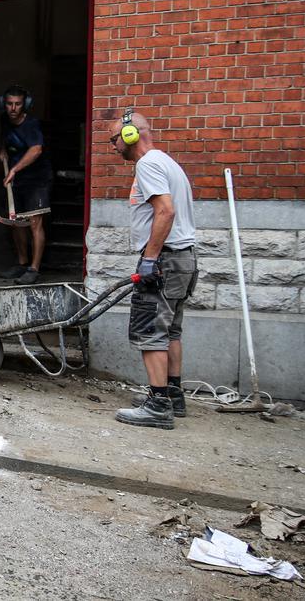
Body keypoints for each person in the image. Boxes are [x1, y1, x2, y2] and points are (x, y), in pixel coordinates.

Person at [110, 109, 197, 430]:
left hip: (164, 261)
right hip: (183, 259)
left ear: (131, 135)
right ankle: (173, 394)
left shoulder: (147, 164)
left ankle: (158, 404)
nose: (115, 146)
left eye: (115, 139)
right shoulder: (167, 162)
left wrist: (150, 259)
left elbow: (165, 211)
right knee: (171, 330)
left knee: (150, 331)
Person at [0, 85, 53, 285]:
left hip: (37, 179)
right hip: (16, 180)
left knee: (34, 224)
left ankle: (33, 269)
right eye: (9, 104)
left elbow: (36, 149)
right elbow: (5, 139)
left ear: (25, 104)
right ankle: (21, 263)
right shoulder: (5, 119)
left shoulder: (32, 125)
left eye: (18, 104)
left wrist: (14, 169)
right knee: (16, 222)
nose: (13, 108)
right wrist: (3, 150)